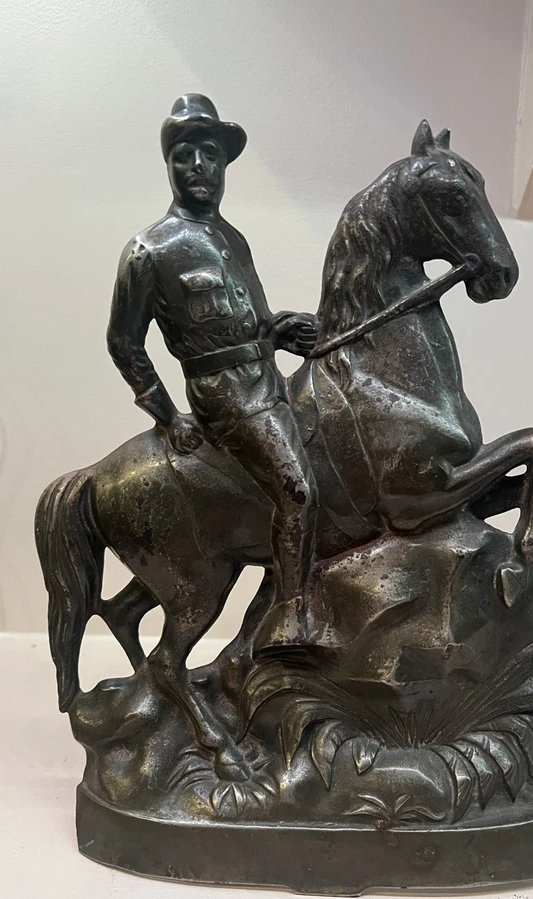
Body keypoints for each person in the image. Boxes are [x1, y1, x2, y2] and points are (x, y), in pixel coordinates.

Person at [107, 94, 317, 646]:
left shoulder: (232, 238)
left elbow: (250, 321)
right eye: (185, 155)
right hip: (224, 398)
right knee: (298, 492)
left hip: (268, 382)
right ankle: (294, 619)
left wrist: (281, 330)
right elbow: (123, 342)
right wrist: (166, 414)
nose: (200, 166)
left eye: (211, 155)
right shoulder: (149, 250)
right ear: (169, 165)